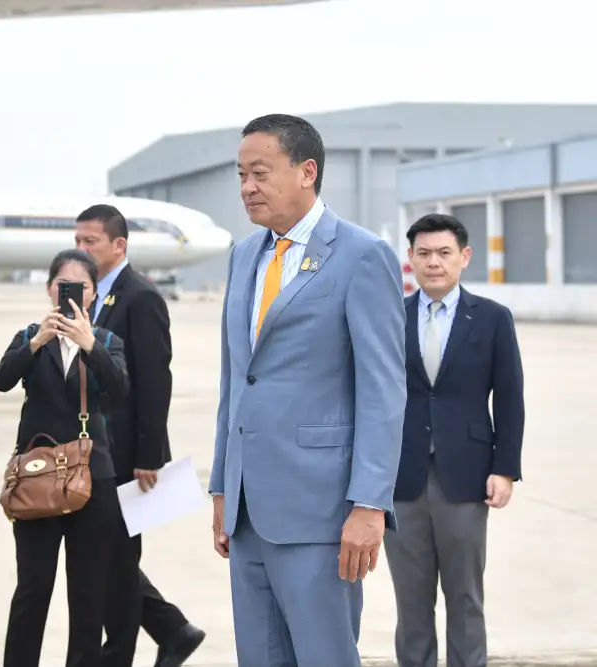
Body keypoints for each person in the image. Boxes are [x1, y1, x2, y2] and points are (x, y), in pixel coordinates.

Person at [208, 114, 407, 667]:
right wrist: (223, 487)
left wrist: (370, 504)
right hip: (247, 511)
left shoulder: (361, 255)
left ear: (307, 172)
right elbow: (235, 381)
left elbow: (384, 391)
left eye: (260, 173)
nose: (248, 187)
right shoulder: (244, 256)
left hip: (322, 514)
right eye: (241, 175)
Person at [385, 213, 525, 667]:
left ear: (464, 257)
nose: (434, 262)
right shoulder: (389, 316)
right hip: (400, 477)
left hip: (466, 476)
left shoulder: (492, 319)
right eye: (424, 253)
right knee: (411, 600)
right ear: (410, 258)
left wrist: (505, 469)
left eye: (444, 253)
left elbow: (509, 397)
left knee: (465, 596)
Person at [74, 205, 204, 667]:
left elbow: (154, 381)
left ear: (119, 245)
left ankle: (143, 644)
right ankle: (173, 630)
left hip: (127, 452)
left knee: (116, 557)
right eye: (77, 240)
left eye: (90, 241)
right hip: (90, 451)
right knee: (109, 557)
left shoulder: (140, 297)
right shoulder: (85, 297)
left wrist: (149, 454)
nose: (81, 249)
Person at [0, 248, 130, 667]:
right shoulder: (29, 336)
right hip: (38, 476)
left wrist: (89, 345)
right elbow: (1, 380)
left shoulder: (107, 341)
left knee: (87, 593)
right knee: (32, 589)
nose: (70, 293)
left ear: (93, 294)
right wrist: (38, 342)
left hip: (94, 480)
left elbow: (120, 389)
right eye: (62, 284)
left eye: (80, 286)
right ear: (49, 289)